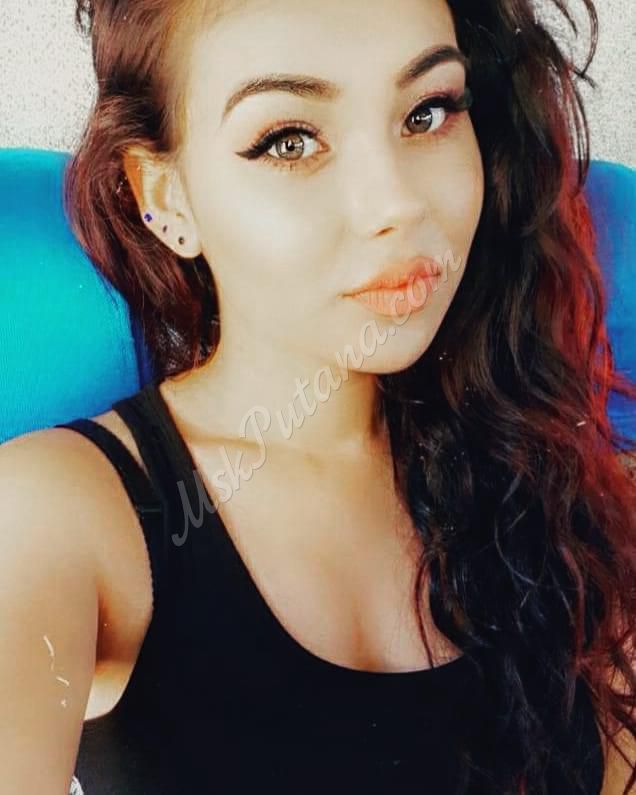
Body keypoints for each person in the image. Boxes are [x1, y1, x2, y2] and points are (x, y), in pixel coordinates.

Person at [0, 0, 634, 792]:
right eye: (290, 140)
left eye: (428, 111)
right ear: (165, 196)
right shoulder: (59, 516)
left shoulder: (582, 497)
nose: (397, 203)